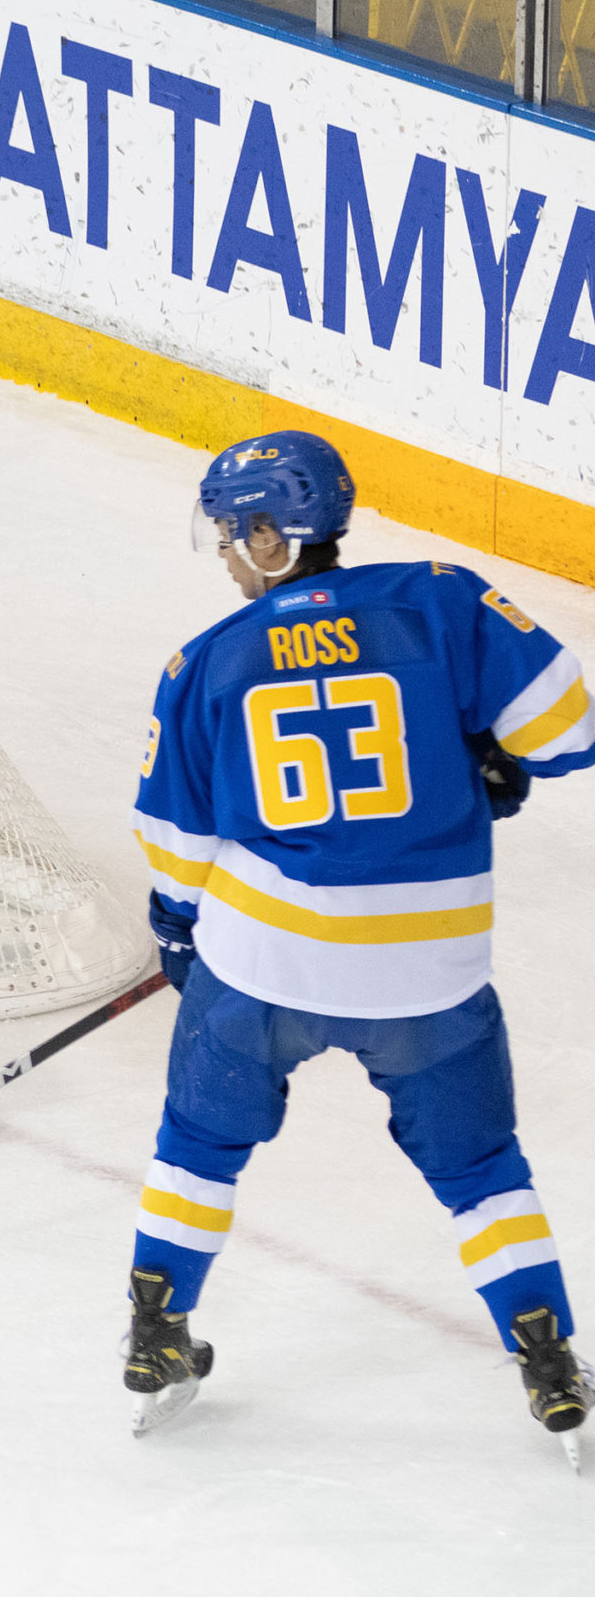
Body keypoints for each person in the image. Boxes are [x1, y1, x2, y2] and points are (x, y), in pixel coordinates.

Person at [124, 430, 595, 1449]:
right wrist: (484, 752)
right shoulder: (442, 599)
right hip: (427, 975)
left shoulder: (202, 662)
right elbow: (570, 727)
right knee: (480, 1169)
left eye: (229, 534)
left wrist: (175, 930)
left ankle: (155, 1326)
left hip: (261, 964)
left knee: (200, 1141)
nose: (222, 555)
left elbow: (177, 847)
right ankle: (545, 1354)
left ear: (272, 534)